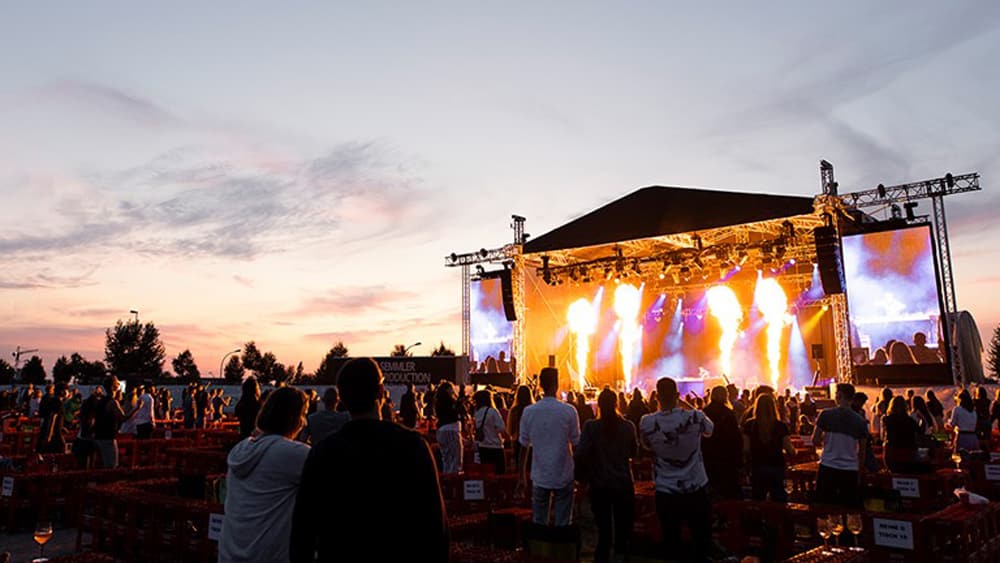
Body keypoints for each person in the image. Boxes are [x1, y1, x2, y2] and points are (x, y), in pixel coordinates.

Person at [290, 358, 447, 562]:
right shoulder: (413, 446)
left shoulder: (324, 452)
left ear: (343, 400)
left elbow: (303, 529)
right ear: (381, 392)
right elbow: (435, 526)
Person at [219, 387, 310, 562]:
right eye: (303, 415)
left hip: (229, 554)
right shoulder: (293, 453)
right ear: (295, 419)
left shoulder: (240, 450)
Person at [640, 377, 714, 563]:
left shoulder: (647, 423)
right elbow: (710, 430)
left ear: (657, 396)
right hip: (696, 487)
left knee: (671, 539)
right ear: (677, 395)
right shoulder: (695, 416)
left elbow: (646, 445)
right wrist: (684, 404)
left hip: (666, 489)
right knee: (700, 539)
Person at [575, 389, 637, 563]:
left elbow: (581, 454)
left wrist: (583, 477)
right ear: (616, 404)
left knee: (603, 533)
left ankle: (601, 559)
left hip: (600, 486)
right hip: (623, 485)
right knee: (623, 531)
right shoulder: (628, 426)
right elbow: (634, 451)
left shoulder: (591, 427)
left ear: (599, 406)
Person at [518, 367, 581, 526]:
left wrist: (521, 475)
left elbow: (523, 446)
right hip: (564, 474)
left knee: (539, 522)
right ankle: (560, 550)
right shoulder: (569, 411)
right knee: (563, 523)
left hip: (540, 475)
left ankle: (541, 550)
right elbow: (577, 444)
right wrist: (580, 473)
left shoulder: (529, 412)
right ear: (556, 384)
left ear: (540, 385)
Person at [812, 383, 868, 508]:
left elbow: (815, 440)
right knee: (848, 509)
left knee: (825, 508)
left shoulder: (825, 415)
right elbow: (862, 452)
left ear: (839, 395)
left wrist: (827, 441)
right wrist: (860, 473)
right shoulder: (860, 421)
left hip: (828, 466)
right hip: (850, 469)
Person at [743, 393, 795, 501]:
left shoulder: (749, 425)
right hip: (776, 466)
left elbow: (746, 449)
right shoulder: (781, 426)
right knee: (779, 499)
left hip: (757, 466)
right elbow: (789, 449)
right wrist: (794, 452)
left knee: (758, 499)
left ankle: (759, 517)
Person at [702, 385, 743, 500]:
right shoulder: (728, 413)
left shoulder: (705, 412)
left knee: (712, 490)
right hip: (727, 457)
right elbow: (735, 437)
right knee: (729, 490)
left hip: (709, 456)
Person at [93, 376, 126, 468]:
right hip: (108, 437)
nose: (119, 385)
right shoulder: (112, 402)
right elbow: (123, 418)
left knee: (101, 464)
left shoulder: (101, 400)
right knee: (111, 465)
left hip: (99, 435)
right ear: (112, 387)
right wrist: (137, 408)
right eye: (117, 383)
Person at [881, 397, 920, 473]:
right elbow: (919, 431)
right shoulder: (910, 420)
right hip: (908, 454)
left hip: (892, 454)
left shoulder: (887, 420)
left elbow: (884, 437)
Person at [473, 389, 507, 474]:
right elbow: (502, 428)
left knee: (486, 472)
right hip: (495, 446)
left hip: (483, 446)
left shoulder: (477, 413)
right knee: (499, 472)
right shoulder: (493, 411)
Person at [434, 381, 465, 474]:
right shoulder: (449, 401)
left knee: (446, 459)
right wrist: (461, 394)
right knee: (455, 459)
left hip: (442, 431)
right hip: (451, 430)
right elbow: (456, 410)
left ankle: (446, 479)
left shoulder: (438, 401)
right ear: (448, 389)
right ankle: (452, 480)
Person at [507, 385, 534, 470]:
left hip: (518, 441)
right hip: (532, 442)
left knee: (520, 467)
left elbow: (510, 430)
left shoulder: (514, 410)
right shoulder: (533, 410)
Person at [36, 384, 67, 454]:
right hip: (54, 430)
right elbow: (53, 417)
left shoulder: (51, 399)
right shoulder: (56, 402)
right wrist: (49, 434)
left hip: (52, 428)